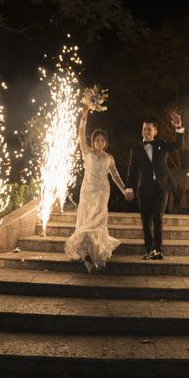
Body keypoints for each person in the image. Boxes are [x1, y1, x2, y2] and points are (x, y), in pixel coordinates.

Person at [64, 106, 127, 273]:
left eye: (102, 140)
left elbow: (115, 176)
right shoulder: (88, 153)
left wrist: (124, 190)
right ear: (93, 142)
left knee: (98, 224)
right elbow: (81, 137)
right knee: (86, 223)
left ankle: (98, 255)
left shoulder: (109, 158)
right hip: (87, 193)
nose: (100, 142)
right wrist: (84, 118)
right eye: (97, 140)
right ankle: (86, 256)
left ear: (106, 142)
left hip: (102, 193)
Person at [125, 113, 184, 260]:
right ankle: (149, 250)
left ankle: (158, 250)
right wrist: (129, 188)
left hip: (161, 187)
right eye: (144, 129)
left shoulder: (161, 145)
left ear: (155, 132)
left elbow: (178, 145)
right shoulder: (136, 149)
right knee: (146, 221)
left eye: (149, 129)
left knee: (157, 218)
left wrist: (178, 128)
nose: (145, 131)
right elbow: (132, 170)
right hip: (144, 189)